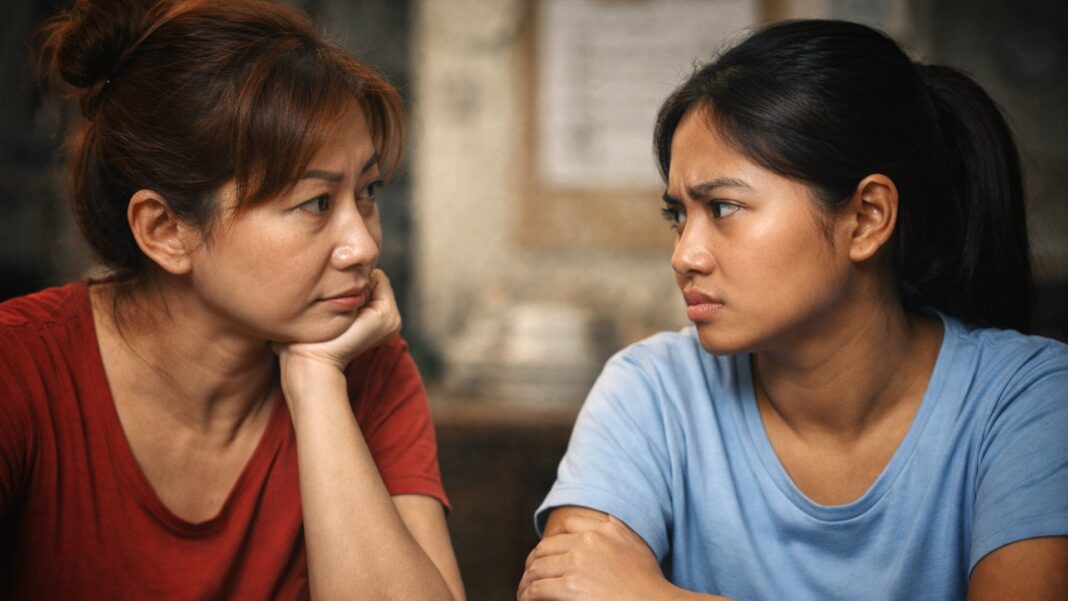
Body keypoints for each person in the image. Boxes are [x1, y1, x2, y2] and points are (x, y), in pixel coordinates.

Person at [518, 19, 1068, 601]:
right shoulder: (652, 391)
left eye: (724, 207)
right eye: (678, 215)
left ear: (867, 218)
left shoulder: (1026, 400)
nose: (685, 255)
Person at [0, 0, 465, 599]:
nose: (364, 244)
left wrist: (318, 381)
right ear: (166, 231)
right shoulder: (19, 368)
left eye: (368, 191)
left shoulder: (368, 368)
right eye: (316, 203)